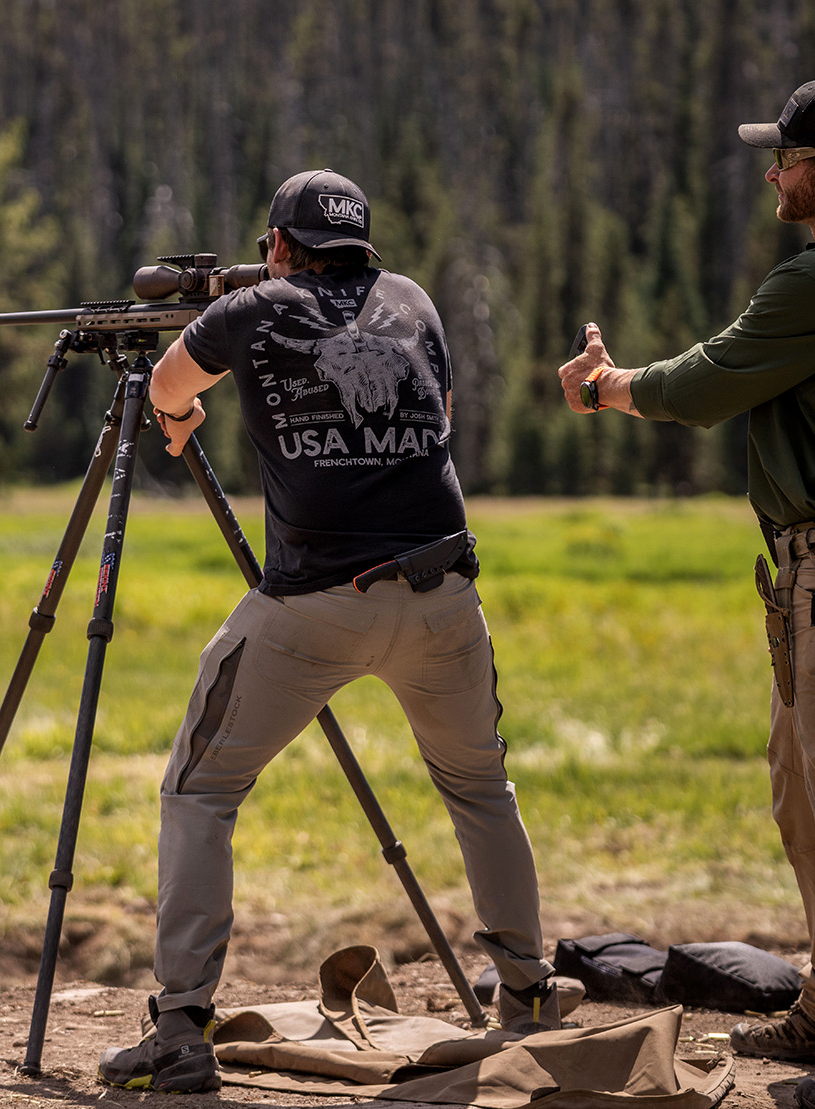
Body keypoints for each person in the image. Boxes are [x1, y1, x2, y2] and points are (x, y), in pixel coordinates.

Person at [99, 169, 560, 1093]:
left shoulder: (253, 308)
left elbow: (170, 385)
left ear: (277, 245)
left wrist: (183, 417)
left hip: (313, 601)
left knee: (200, 788)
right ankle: (528, 989)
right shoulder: (415, 301)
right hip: (443, 593)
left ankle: (183, 1022)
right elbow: (441, 419)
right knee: (480, 786)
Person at [557, 80, 815, 1109]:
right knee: (804, 795)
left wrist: (607, 386)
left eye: (787, 158)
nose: (772, 173)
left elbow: (704, 384)